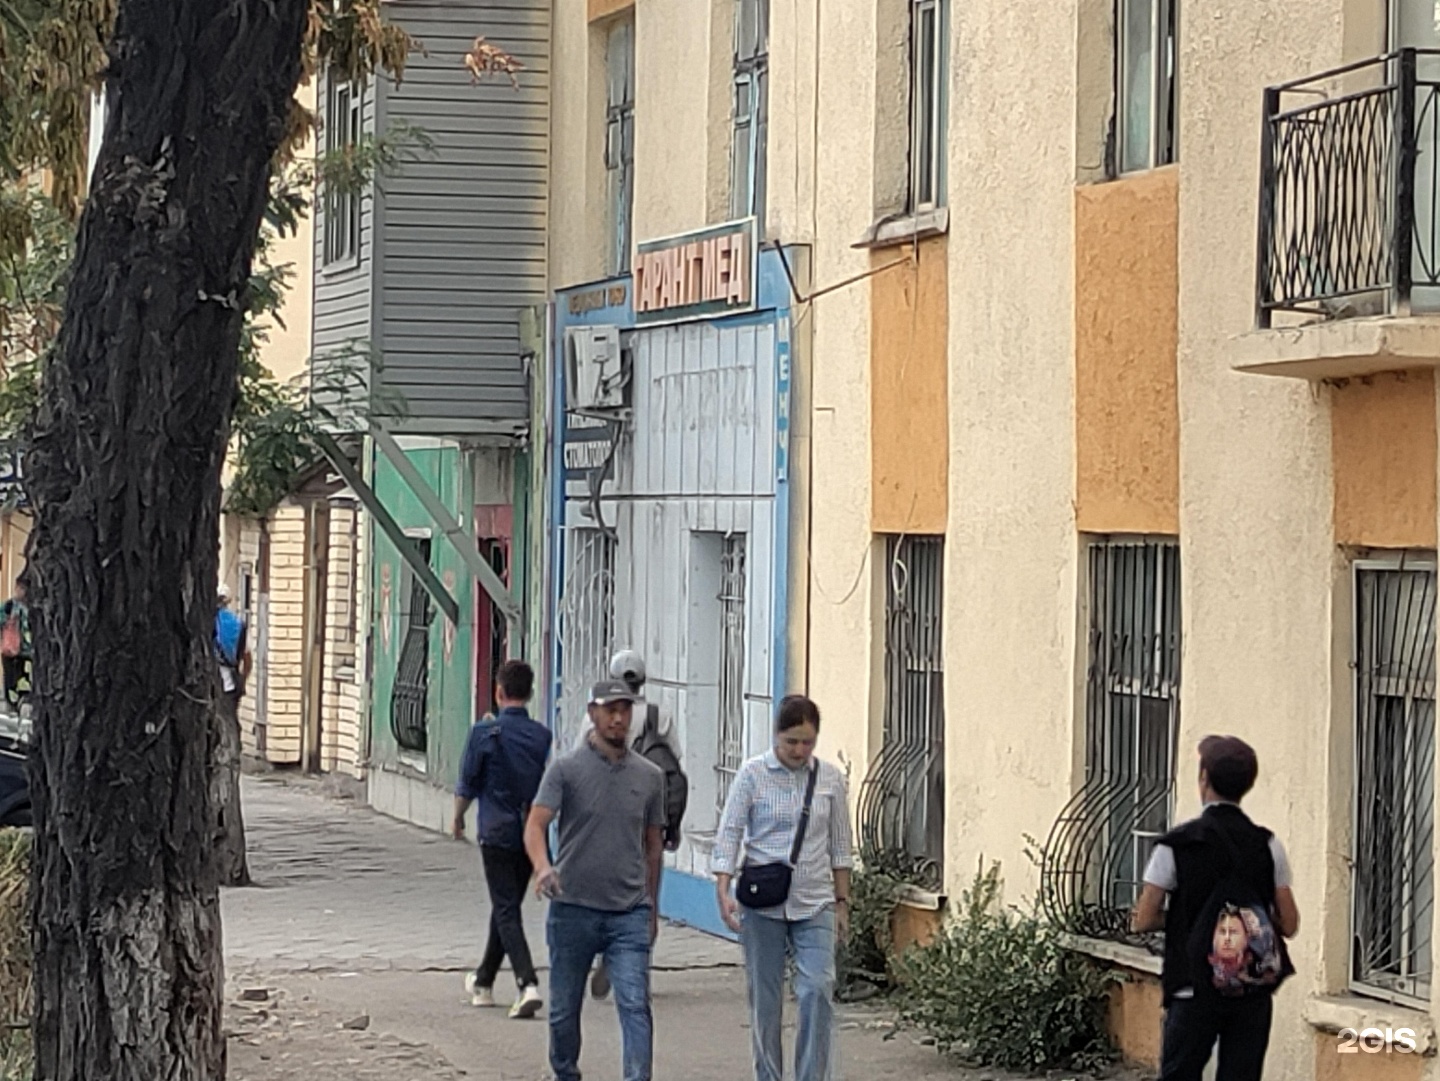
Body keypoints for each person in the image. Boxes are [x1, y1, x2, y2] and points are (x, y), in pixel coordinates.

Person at [1132, 735, 1300, 1081]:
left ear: (1204, 778)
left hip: (1191, 987)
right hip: (1250, 989)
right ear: (1247, 784)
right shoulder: (1267, 844)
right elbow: (1289, 923)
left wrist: (1190, 922)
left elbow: (1143, 919)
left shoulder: (1177, 845)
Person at [525, 678, 665, 1081]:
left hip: (629, 911)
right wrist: (543, 867)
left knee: (635, 1003)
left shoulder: (650, 777)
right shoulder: (566, 770)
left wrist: (652, 907)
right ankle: (565, 1072)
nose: (618, 718)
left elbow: (653, 846)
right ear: (593, 713)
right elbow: (535, 825)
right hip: (573, 908)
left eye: (625, 710)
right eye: (610, 710)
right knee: (564, 1010)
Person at [712, 694, 854, 1081]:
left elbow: (841, 846)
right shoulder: (752, 774)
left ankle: (811, 1075)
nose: (799, 750)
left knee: (817, 989)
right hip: (763, 903)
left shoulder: (829, 780)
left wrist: (842, 902)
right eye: (791, 741)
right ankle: (768, 1075)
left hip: (815, 900)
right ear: (776, 735)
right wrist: (723, 888)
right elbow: (729, 833)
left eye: (808, 741)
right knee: (766, 999)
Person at [578, 648, 687, 1001]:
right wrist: (673, 822)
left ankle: (609, 952)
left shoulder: (597, 717)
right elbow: (675, 767)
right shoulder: (659, 715)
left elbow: (582, 764)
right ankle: (637, 970)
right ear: (643, 680)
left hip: (608, 820)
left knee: (607, 891)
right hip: (650, 818)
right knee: (646, 896)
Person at [453, 659, 551, 1019]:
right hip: (529, 832)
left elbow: (468, 782)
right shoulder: (541, 736)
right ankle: (483, 981)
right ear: (530, 692)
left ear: (498, 692)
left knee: (506, 909)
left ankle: (527, 983)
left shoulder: (482, 733)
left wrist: (457, 817)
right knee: (506, 905)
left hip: (495, 831)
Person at [214, 584, 251, 706]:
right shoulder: (239, 625)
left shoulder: (208, 622)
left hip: (210, 683)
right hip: (230, 686)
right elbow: (247, 659)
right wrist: (242, 681)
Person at [0, 582, 30, 712]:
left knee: (23, 675)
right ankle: (11, 701)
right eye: (20, 588)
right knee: (10, 675)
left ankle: (22, 700)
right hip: (9, 648)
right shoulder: (8, 606)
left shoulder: (31, 607)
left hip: (25, 650)